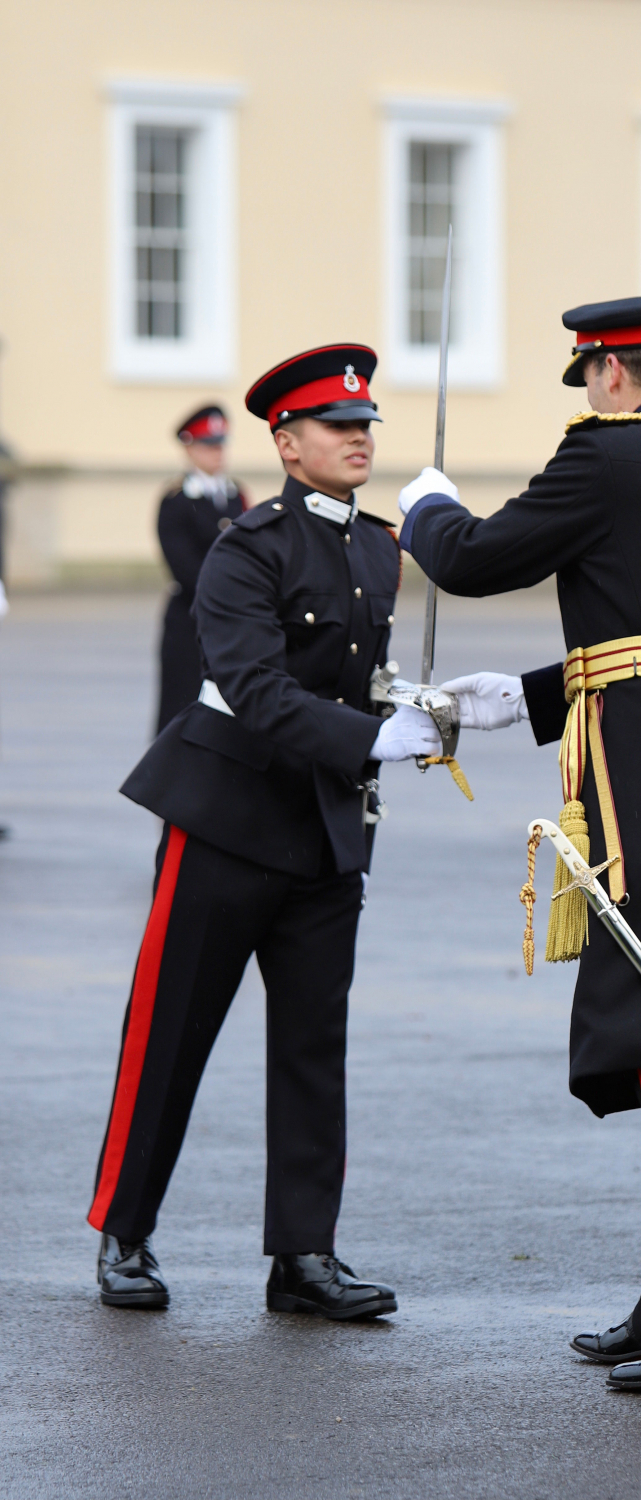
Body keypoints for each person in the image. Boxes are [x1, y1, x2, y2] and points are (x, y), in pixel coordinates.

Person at [398, 297, 641, 1392]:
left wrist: (428, 511)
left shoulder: (606, 459)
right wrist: (523, 699)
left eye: (589, 379)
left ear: (611, 372)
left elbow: (476, 561)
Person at [89, 344, 444, 1319]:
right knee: (169, 1037)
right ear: (288, 447)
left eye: (366, 425)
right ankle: (125, 1233)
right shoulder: (243, 550)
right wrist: (377, 736)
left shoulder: (379, 547)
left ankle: (303, 1256)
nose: (360, 439)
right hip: (225, 825)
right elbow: (257, 691)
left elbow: (354, 680)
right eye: (339, 427)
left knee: (311, 1049)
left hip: (325, 832)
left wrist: (420, 705)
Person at [156, 407, 248, 733]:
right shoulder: (177, 499)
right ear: (189, 448)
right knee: (182, 710)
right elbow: (185, 568)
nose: (217, 453)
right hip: (190, 619)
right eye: (209, 445)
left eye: (221, 444)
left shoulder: (235, 494)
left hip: (231, 621)